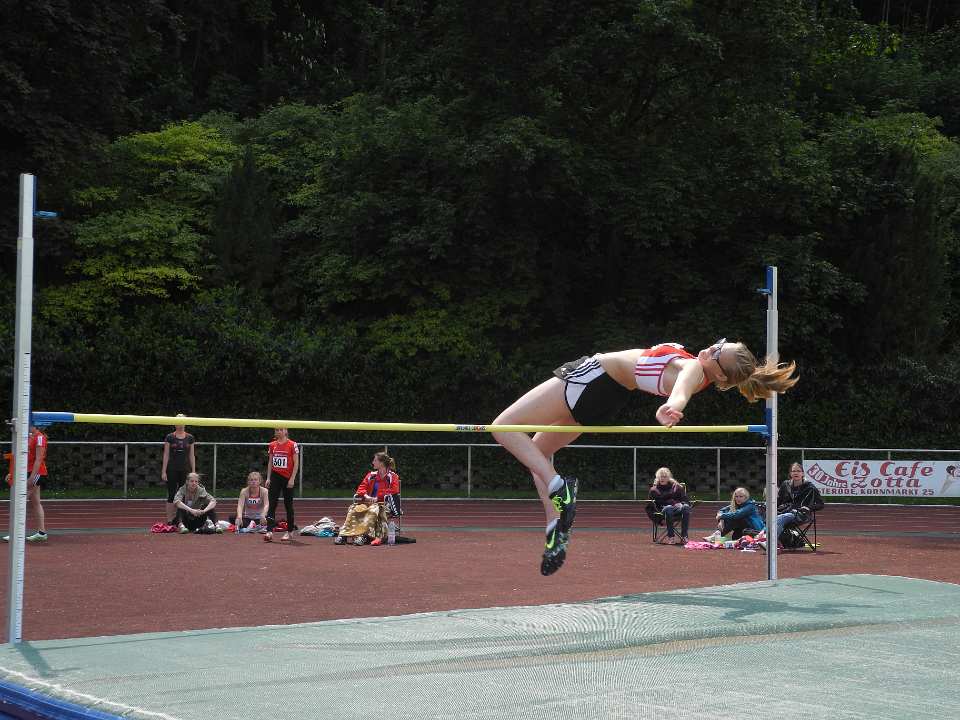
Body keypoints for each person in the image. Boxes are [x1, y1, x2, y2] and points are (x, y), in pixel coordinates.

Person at [492, 339, 797, 575]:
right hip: (606, 400)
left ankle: (559, 486)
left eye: (717, 351)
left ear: (719, 372)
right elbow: (681, 383)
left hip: (593, 377)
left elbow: (681, 389)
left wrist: (672, 407)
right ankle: (555, 527)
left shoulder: (693, 369)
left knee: (503, 427)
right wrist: (674, 400)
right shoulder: (699, 372)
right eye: (720, 343)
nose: (712, 347)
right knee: (538, 454)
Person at [334, 450, 400, 546]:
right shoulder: (371, 475)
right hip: (368, 503)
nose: (373, 462)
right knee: (353, 509)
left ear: (381, 463)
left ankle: (362, 536)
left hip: (384, 505)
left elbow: (394, 490)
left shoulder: (393, 477)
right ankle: (343, 535)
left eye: (375, 460)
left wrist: (378, 497)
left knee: (372, 511)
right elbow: (361, 488)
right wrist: (366, 496)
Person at [3, 424, 50, 543]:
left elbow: (39, 459)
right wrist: (12, 473)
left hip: (37, 472)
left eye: (30, 425)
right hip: (29, 471)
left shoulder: (40, 437)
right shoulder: (29, 437)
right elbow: (23, 458)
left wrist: (32, 477)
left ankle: (15, 533)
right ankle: (42, 533)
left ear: (35, 426)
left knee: (20, 500)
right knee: (35, 502)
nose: (27, 426)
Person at [264, 427, 299, 542]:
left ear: (285, 431)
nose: (278, 432)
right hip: (275, 476)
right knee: (272, 503)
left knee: (288, 505)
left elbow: (296, 463)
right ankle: (269, 531)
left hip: (287, 477)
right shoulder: (272, 445)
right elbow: (270, 462)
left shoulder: (292, 444)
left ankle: (289, 531)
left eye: (281, 430)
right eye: (276, 430)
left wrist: (292, 479)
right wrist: (268, 478)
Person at [160, 414, 196, 525]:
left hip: (185, 469)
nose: (180, 424)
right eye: (178, 421)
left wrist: (193, 471)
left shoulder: (190, 438)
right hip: (172, 469)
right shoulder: (170, 437)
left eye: (182, 421)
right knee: (172, 494)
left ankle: (182, 519)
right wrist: (163, 471)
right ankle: (170, 520)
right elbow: (166, 454)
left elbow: (192, 455)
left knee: (184, 495)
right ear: (175, 423)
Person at [775, 462, 824, 539]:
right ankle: (763, 538)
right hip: (784, 511)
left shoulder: (810, 487)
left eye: (798, 471)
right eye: (793, 471)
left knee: (780, 518)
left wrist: (809, 508)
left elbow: (820, 504)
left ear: (802, 473)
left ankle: (770, 541)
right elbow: (779, 500)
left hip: (801, 514)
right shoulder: (785, 484)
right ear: (790, 473)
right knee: (769, 516)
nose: (796, 473)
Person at [647, 467, 691, 545]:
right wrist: (658, 520)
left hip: (677, 509)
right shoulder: (654, 490)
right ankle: (671, 537)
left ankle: (684, 536)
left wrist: (682, 504)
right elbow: (650, 507)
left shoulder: (676, 487)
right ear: (657, 478)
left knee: (686, 507)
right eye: (660, 476)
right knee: (669, 508)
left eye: (664, 476)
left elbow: (685, 499)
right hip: (663, 511)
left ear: (668, 478)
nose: (662, 478)